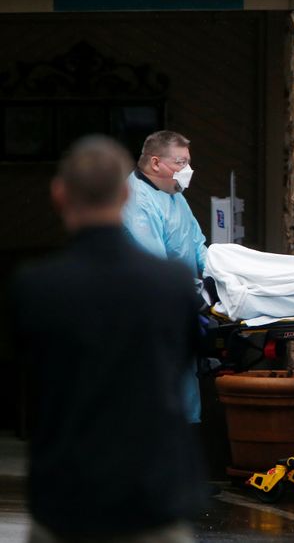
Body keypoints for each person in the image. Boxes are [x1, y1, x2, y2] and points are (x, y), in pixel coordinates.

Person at [10, 136, 206, 543]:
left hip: (67, 499)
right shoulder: (172, 285)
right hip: (151, 497)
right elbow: (185, 357)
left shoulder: (34, 286)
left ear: (59, 195)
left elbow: (28, 375)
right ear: (124, 194)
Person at [123, 130, 207, 424]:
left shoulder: (174, 197)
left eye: (188, 163)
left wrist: (223, 278)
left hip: (177, 306)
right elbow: (153, 266)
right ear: (156, 163)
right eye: (180, 163)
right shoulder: (134, 202)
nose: (187, 171)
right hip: (149, 311)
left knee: (183, 394)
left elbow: (197, 246)